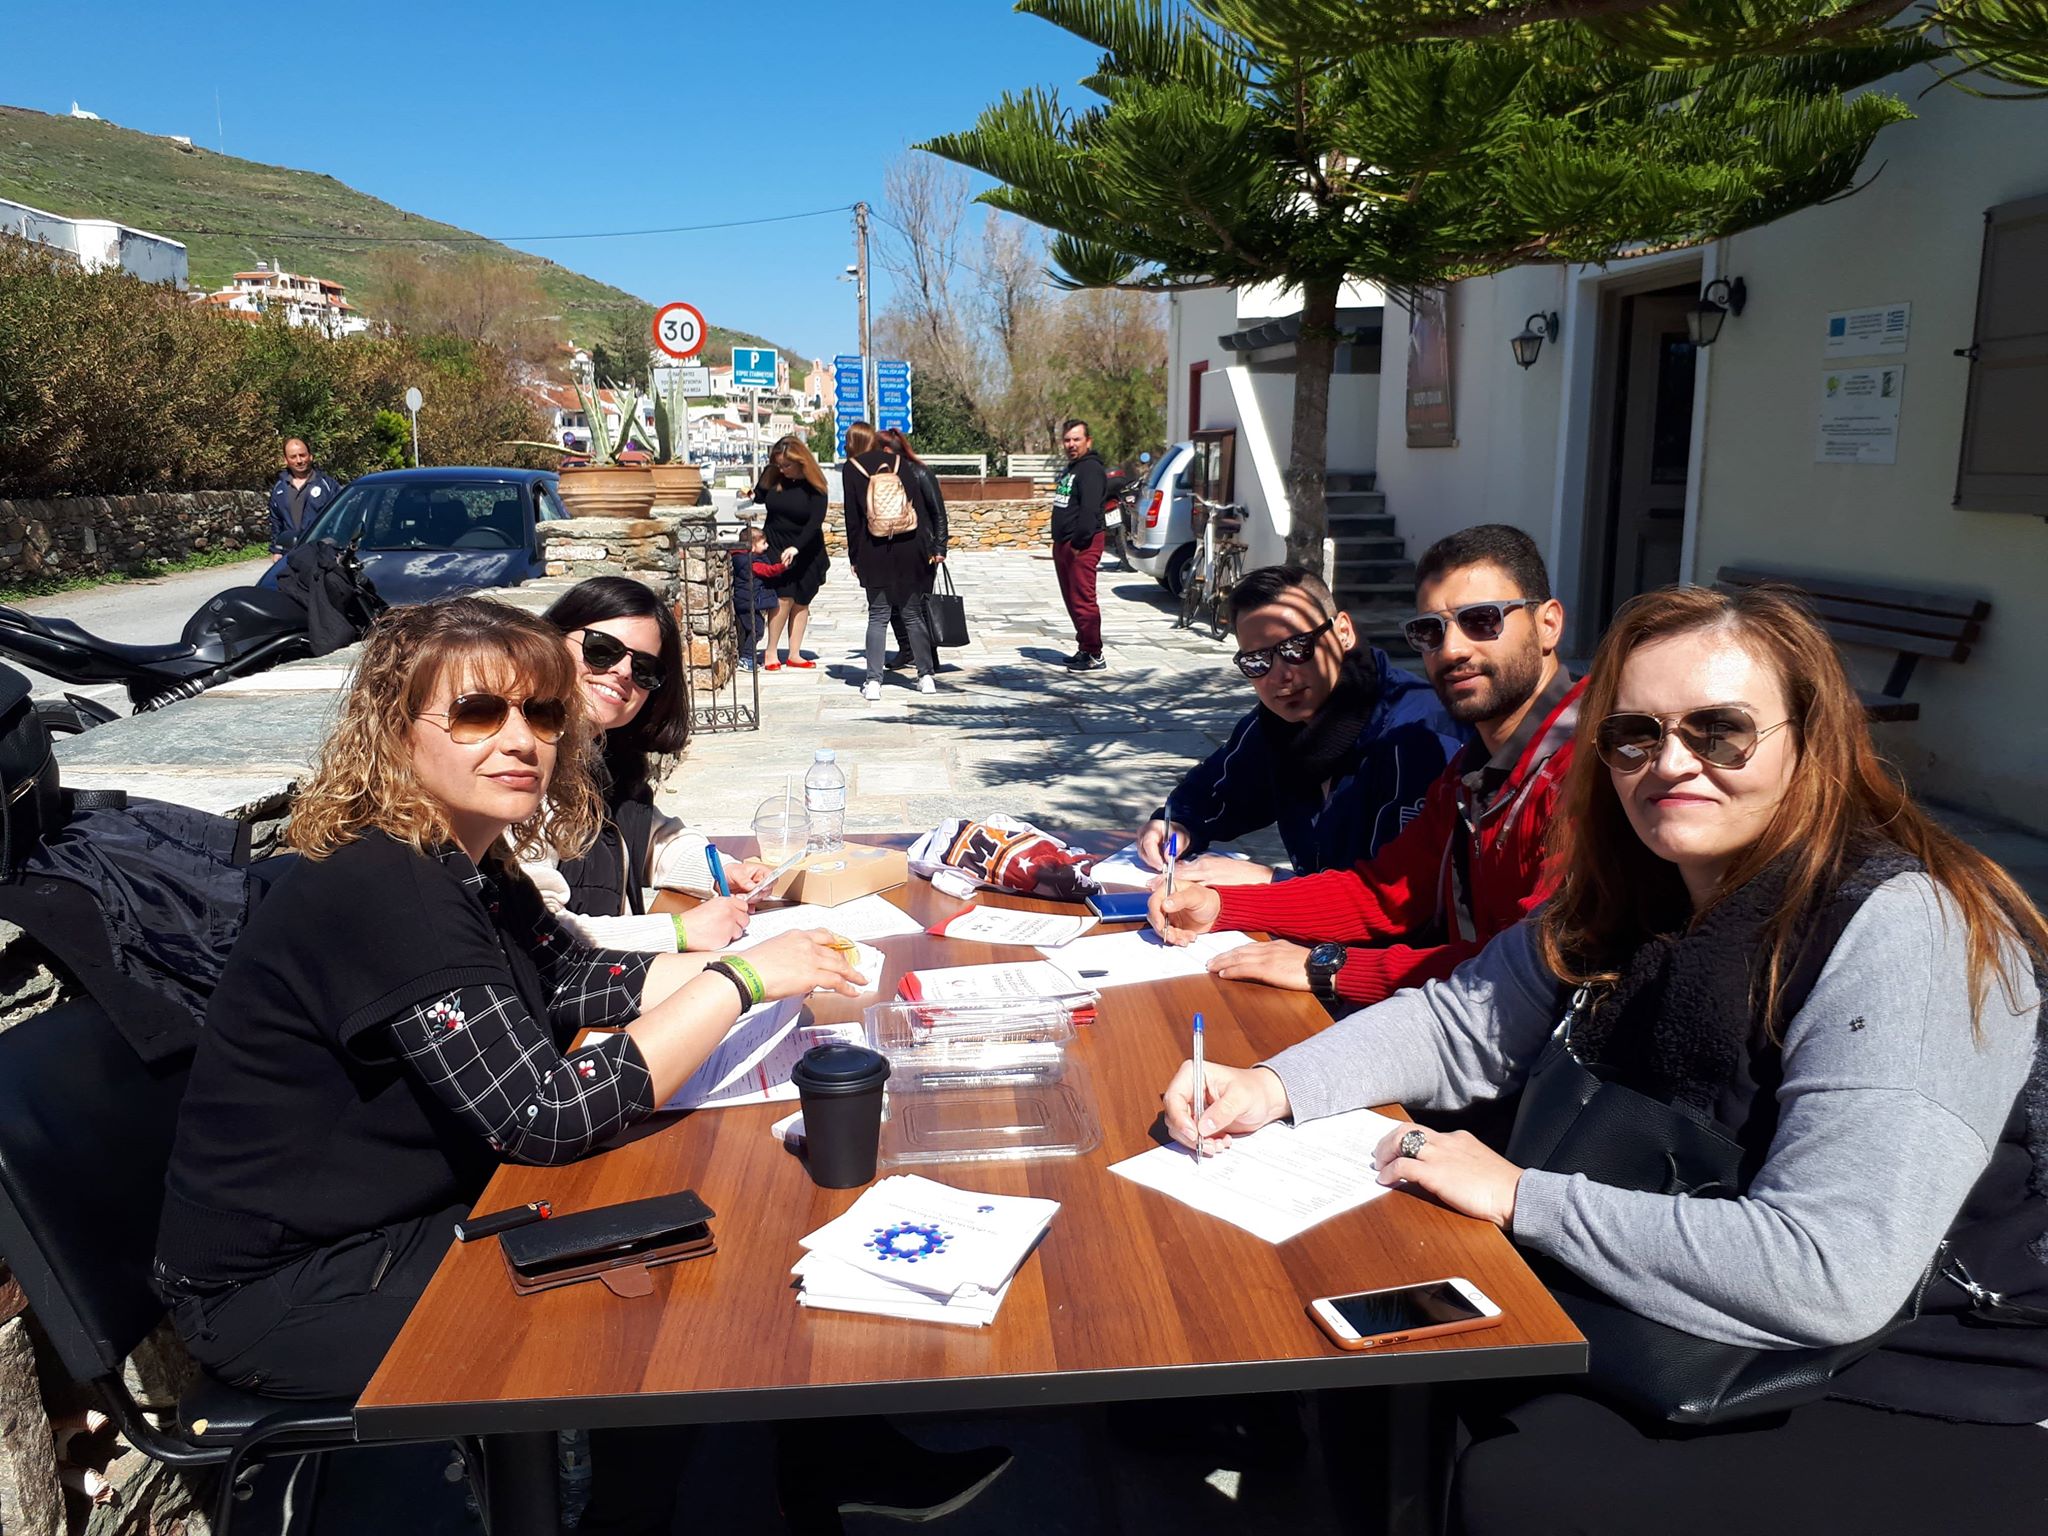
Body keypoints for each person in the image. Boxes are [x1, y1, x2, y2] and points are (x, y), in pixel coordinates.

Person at [1160, 582, 2048, 1534]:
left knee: (1519, 1478)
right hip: (1682, 1269)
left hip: (1911, 1360)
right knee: (1366, 1337)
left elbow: (1832, 1270)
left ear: (1811, 739)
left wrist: (1520, 1198)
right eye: (1633, 736)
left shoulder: (1904, 930)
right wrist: (1273, 1084)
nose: (1672, 763)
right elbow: (1461, 1024)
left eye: (1720, 732)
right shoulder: (1636, 886)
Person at [153, 597, 861, 1531]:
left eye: (543, 713)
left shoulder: (463, 858)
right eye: (479, 713)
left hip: (405, 1219)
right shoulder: (387, 888)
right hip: (291, 1289)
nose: (521, 739)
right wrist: (738, 981)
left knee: (693, 1222)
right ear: (394, 731)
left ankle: (813, 1476)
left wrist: (786, 965)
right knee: (672, 1296)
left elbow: (576, 978)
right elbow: (543, 1117)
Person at [1151, 524, 1584, 1010]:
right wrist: (1219, 905)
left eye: (1482, 620)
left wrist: (1328, 967)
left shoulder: (1589, 771)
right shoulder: (1473, 769)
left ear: (1549, 624)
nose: (1452, 649)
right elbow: (1387, 892)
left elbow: (1531, 971)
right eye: (1431, 630)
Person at [1134, 565, 1466, 885]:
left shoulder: (1417, 737)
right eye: (1257, 660)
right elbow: (1213, 793)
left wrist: (1271, 882)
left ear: (1343, 632)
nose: (1280, 675)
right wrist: (1175, 824)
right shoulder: (1273, 726)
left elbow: (1404, 897)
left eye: (1296, 648)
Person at [529, 576, 777, 950]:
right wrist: (677, 931)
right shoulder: (520, 768)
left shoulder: (603, 758)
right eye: (602, 649)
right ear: (550, 641)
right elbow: (537, 934)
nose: (624, 672)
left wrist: (723, 871)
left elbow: (651, 839)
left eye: (645, 668)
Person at [843, 421, 942, 701]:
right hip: (909, 547)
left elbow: (853, 518)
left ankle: (874, 682)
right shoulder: (899, 463)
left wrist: (855, 557)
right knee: (913, 614)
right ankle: (926, 677)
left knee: (878, 616)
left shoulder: (852, 468)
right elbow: (915, 508)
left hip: (873, 549)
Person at [755, 436, 830, 670]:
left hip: (806, 548)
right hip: (776, 544)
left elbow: (815, 522)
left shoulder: (815, 486)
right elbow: (758, 497)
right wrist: (768, 472)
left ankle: (794, 653)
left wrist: (797, 547)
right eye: (779, 465)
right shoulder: (775, 477)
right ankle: (771, 652)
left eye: (787, 465)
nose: (783, 470)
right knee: (783, 597)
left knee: (801, 600)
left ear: (801, 461)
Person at [878, 427, 949, 671]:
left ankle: (929, 654)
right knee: (893, 604)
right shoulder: (884, 475)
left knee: (920, 605)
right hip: (891, 549)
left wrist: (940, 547)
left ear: (887, 450)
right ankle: (906, 650)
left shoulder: (920, 472)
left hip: (922, 549)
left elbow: (938, 513)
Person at [1051, 418, 1108, 672]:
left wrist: (1078, 544)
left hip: (1082, 544)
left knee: (1084, 599)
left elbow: (1090, 510)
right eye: (1067, 440)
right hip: (1064, 543)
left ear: (1088, 441)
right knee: (1072, 599)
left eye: (1077, 439)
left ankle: (1095, 653)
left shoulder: (1091, 469)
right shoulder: (1072, 469)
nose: (1071, 444)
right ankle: (1084, 647)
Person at [266, 437, 340, 561]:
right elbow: (276, 522)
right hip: (291, 554)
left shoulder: (327, 485)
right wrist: (277, 550)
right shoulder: (279, 489)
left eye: (302, 455)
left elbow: (339, 519)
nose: (299, 460)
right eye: (293, 457)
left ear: (310, 456)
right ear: (286, 460)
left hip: (322, 554)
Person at [733, 526, 783, 672]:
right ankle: (746, 658)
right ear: (752, 546)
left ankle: (747, 656)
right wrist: (783, 566)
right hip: (748, 602)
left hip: (746, 601)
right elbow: (768, 571)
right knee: (757, 629)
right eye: (763, 543)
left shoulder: (742, 558)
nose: (767, 546)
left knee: (752, 629)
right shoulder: (752, 563)